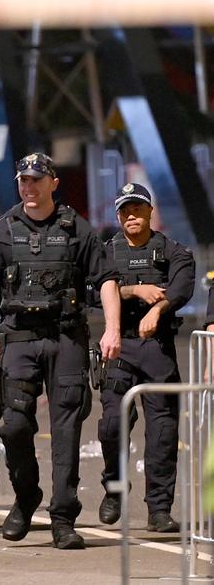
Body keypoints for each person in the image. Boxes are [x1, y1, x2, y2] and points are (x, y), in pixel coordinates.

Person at [0, 152, 121, 549]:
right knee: (14, 426)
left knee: (67, 430)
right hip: (18, 339)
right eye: (23, 180)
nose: (28, 186)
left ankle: (62, 516)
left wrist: (112, 331)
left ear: (53, 182)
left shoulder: (77, 229)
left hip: (66, 337)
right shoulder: (3, 230)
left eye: (36, 179)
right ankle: (26, 495)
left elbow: (106, 279)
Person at [97, 183, 194, 532]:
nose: (131, 216)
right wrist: (134, 290)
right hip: (120, 345)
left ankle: (159, 509)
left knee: (163, 433)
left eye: (137, 209)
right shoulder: (106, 253)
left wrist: (159, 310)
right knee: (111, 425)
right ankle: (114, 488)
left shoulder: (172, 251)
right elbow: (94, 293)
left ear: (151, 211)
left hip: (158, 348)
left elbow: (182, 288)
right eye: (124, 210)